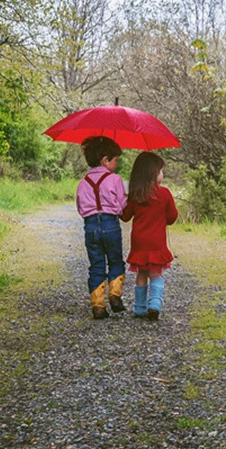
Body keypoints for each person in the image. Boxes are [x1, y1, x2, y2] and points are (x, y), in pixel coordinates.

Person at [121, 151, 178, 320]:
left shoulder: (136, 195)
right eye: (161, 171)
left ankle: (139, 308)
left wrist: (122, 201)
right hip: (156, 242)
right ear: (153, 173)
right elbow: (172, 217)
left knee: (142, 274)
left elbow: (125, 216)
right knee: (156, 273)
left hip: (139, 242)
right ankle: (154, 304)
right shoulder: (165, 193)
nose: (163, 174)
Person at [76, 136, 127, 320]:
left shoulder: (83, 182)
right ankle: (114, 295)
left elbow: (81, 208)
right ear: (105, 159)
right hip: (110, 224)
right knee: (115, 261)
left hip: (90, 226)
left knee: (96, 265)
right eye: (115, 160)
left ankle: (98, 306)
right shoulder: (115, 179)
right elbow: (121, 207)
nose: (117, 163)